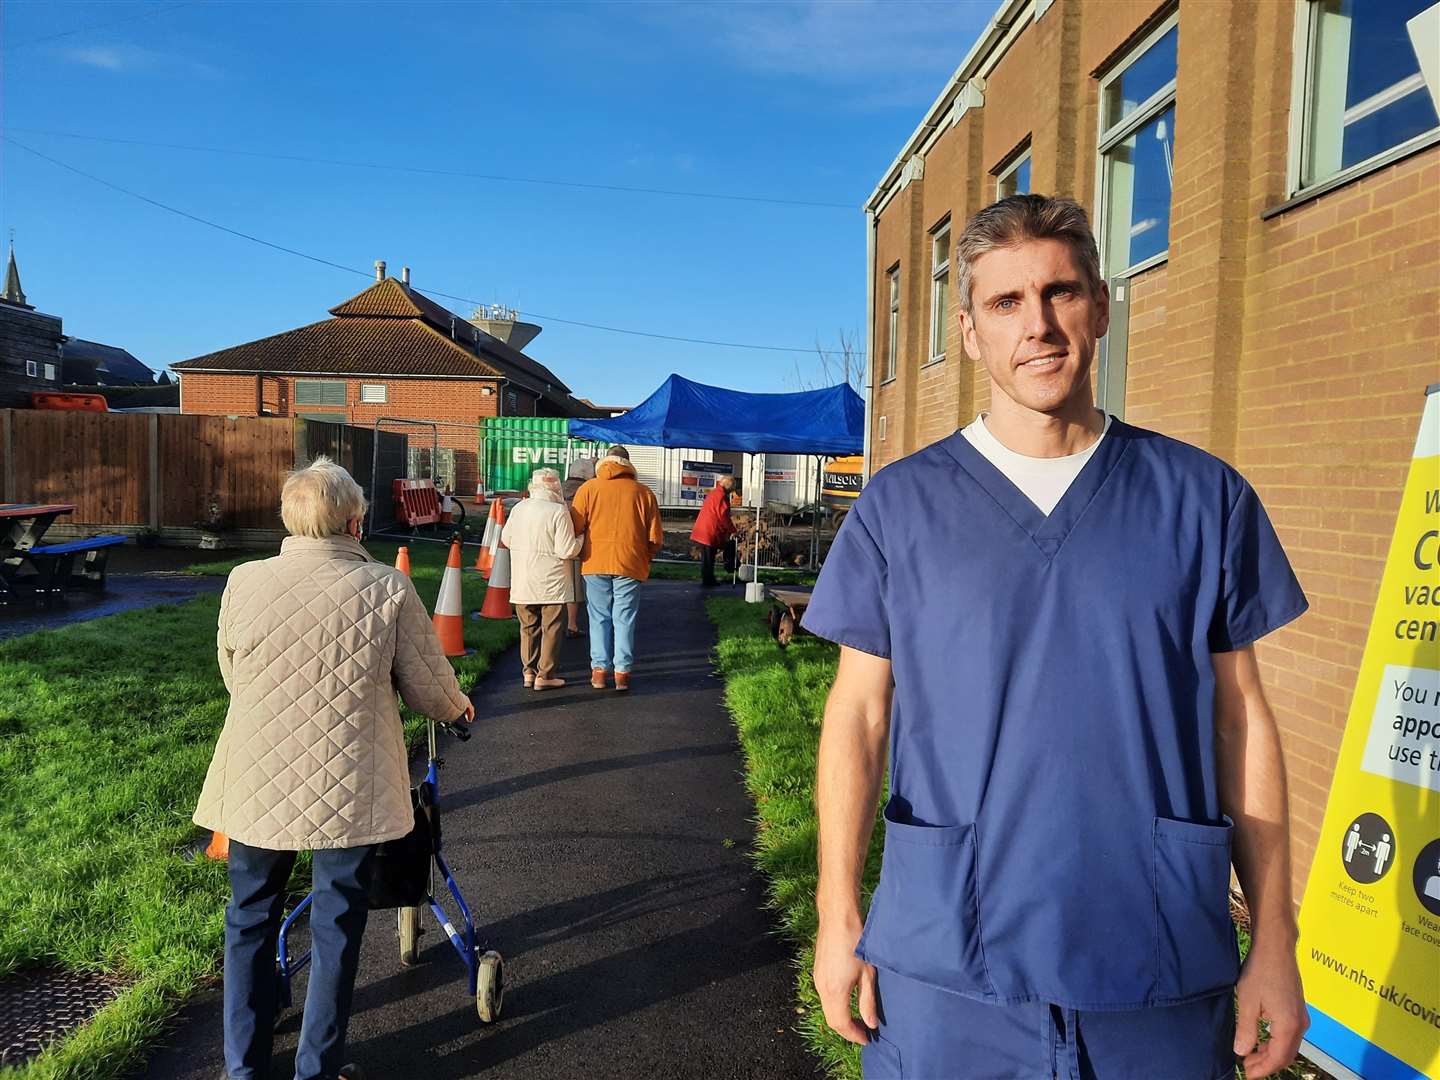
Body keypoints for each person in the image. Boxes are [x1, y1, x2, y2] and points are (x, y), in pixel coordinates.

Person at [803, 195, 1310, 1080]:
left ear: (1101, 306)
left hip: (1154, 957)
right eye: (1005, 304)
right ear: (967, 331)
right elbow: (859, 715)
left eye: (1060, 293)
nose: (1037, 325)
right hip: (947, 962)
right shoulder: (901, 507)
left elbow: (1241, 721)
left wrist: (1274, 935)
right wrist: (838, 907)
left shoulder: (1203, 500)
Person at [194, 457, 474, 1080]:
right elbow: (426, 684)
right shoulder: (384, 587)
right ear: (354, 521)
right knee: (336, 920)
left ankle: (242, 1069)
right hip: (345, 780)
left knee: (249, 916)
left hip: (256, 773)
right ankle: (315, 1070)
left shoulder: (244, 580)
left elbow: (233, 671)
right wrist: (458, 709)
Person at [569, 444, 663, 692]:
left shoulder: (588, 489)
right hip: (630, 563)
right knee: (625, 619)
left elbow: (575, 527)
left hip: (594, 562)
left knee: (598, 617)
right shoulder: (644, 493)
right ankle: (623, 673)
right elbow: (655, 537)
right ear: (629, 465)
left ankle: (599, 672)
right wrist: (646, 557)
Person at [501, 467, 584, 690]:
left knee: (528, 627)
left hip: (522, 580)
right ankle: (545, 675)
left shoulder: (519, 508)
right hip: (552, 583)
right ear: (556, 486)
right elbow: (566, 550)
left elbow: (506, 538)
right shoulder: (558, 511)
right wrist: (581, 539)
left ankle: (528, 672)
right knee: (552, 628)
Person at [562, 456, 596, 638]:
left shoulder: (559, 487)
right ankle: (572, 624)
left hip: (553, 542)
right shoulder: (586, 491)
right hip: (575, 543)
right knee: (574, 586)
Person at [689, 473, 737, 587]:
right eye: (733, 487)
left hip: (705, 529)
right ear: (728, 486)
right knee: (708, 558)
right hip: (709, 531)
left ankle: (709, 579)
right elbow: (723, 516)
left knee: (708, 557)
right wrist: (732, 530)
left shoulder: (715, 493)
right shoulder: (721, 496)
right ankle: (708, 581)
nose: (733, 490)